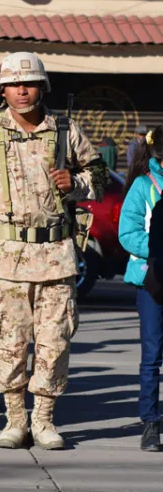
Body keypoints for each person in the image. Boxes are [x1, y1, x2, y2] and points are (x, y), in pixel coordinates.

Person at [0, 52, 107, 450]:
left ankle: (45, 419)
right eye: (14, 84)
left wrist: (78, 184)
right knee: (10, 342)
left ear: (42, 87)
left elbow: (99, 177)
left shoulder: (66, 131)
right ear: (2, 89)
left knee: (54, 343)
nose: (22, 90)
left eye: (29, 83)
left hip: (55, 256)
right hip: (7, 258)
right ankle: (15, 418)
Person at [119, 125, 163, 452]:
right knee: (152, 356)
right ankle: (150, 423)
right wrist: (158, 248)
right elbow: (127, 232)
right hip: (153, 280)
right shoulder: (142, 186)